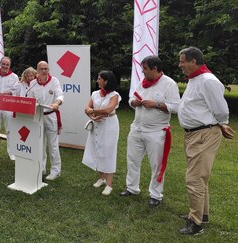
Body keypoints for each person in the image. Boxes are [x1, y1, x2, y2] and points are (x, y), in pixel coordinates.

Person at [177, 47, 235, 235]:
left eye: (182, 61)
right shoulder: (196, 79)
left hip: (203, 134)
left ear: (194, 61)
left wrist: (222, 123)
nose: (180, 65)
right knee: (199, 177)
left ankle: (196, 224)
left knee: (194, 178)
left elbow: (221, 109)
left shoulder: (208, 81)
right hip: (194, 134)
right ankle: (202, 214)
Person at [119, 55, 180, 206]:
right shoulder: (142, 82)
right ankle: (132, 188)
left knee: (156, 164)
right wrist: (134, 102)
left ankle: (156, 195)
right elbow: (131, 99)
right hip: (137, 128)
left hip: (156, 131)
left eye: (145, 69)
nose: (142, 72)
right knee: (132, 159)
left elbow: (177, 107)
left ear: (155, 69)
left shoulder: (169, 84)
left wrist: (157, 104)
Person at [82, 70, 121, 196]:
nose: (97, 80)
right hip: (97, 124)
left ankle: (109, 185)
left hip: (109, 125)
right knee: (96, 149)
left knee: (108, 152)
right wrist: (92, 116)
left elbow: (109, 109)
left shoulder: (114, 95)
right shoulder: (95, 94)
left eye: (99, 79)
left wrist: (92, 111)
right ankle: (102, 178)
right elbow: (86, 109)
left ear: (106, 81)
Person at [27, 61, 64, 180]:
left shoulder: (54, 81)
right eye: (42, 69)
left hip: (51, 115)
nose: (44, 71)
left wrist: (56, 103)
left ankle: (55, 170)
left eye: (46, 68)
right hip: (38, 116)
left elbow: (60, 95)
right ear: (37, 71)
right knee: (40, 143)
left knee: (53, 145)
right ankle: (41, 168)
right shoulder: (33, 83)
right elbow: (29, 98)